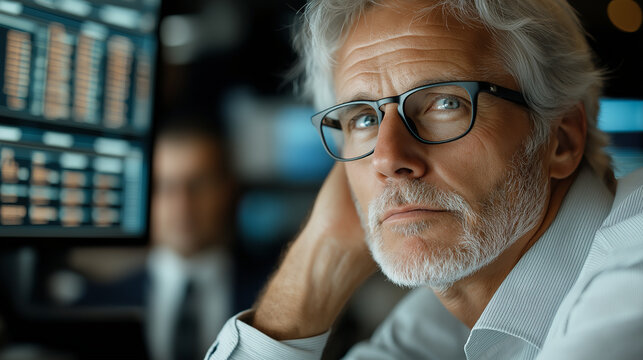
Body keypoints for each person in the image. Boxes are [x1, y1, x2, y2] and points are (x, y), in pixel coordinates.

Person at [206, 0, 643, 359]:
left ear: (561, 139)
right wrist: (318, 254)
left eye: (445, 104)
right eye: (363, 117)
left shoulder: (632, 268)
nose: (388, 158)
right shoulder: (447, 314)